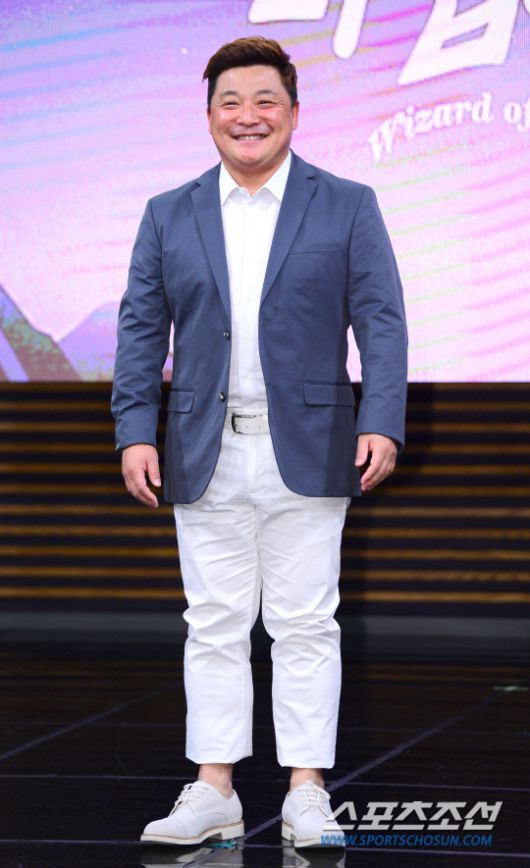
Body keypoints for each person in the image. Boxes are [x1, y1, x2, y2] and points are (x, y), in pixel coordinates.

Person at [111, 35, 408, 849]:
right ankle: (214, 788)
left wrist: (381, 417)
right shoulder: (169, 212)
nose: (249, 116)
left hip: (309, 444)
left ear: (294, 113)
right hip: (201, 446)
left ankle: (308, 790)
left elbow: (381, 321)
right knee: (212, 622)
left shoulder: (346, 203)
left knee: (306, 623)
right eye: (231, 102)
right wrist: (135, 430)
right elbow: (141, 332)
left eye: (265, 100)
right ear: (208, 116)